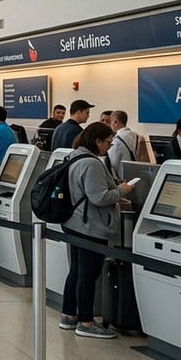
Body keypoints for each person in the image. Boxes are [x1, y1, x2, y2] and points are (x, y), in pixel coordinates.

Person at [60, 122, 134, 338]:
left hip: (74, 223)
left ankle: (69, 315)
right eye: (108, 143)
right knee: (87, 274)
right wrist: (121, 190)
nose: (110, 147)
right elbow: (99, 197)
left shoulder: (74, 156)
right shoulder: (91, 164)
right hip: (90, 226)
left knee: (76, 270)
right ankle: (86, 322)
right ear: (97, 141)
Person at [106, 110, 150, 179]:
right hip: (136, 175)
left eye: (110, 121)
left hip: (123, 178)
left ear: (115, 122)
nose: (109, 125)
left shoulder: (116, 141)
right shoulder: (138, 137)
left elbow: (112, 164)